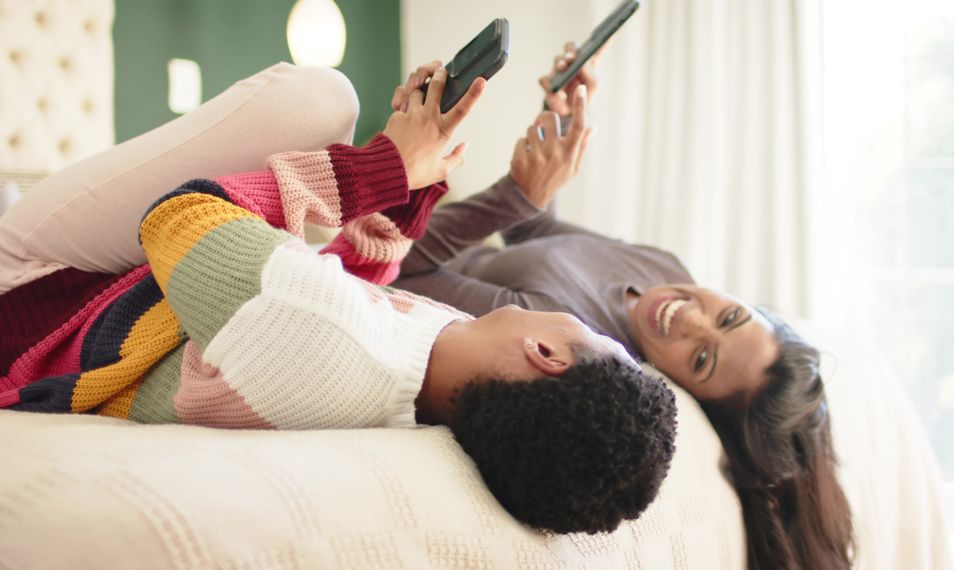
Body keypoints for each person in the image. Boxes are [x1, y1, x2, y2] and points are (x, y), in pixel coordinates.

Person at [0, 62, 677, 536]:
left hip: (33, 294)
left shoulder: (331, 347)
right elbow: (325, 282)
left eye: (591, 332)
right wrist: (409, 186)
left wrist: (382, 165)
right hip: (118, 296)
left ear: (547, 354)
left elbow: (179, 218)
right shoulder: (423, 378)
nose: (572, 316)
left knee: (318, 101)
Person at [391, 45, 855, 568]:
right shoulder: (668, 271)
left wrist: (517, 194)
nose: (690, 318)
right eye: (730, 316)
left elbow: (401, 265)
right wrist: (557, 126)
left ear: (687, 391)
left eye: (701, 359)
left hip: (402, 234)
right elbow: (534, 232)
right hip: (432, 214)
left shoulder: (570, 337)